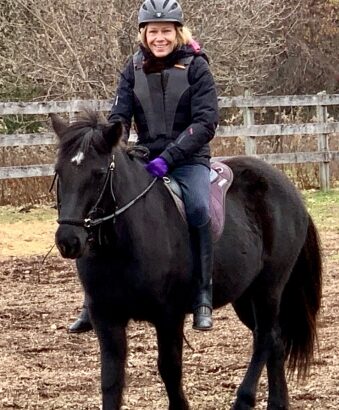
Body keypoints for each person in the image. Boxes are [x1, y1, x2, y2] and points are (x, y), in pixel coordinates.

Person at [69, 0, 218, 333]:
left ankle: (202, 294)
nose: (160, 38)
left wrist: (171, 157)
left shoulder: (196, 67)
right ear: (143, 34)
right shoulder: (131, 67)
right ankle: (91, 301)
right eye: (154, 32)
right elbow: (120, 114)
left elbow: (206, 122)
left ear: (178, 32)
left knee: (197, 208)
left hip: (188, 159)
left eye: (166, 31)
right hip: (145, 155)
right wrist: (113, 141)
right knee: (105, 202)